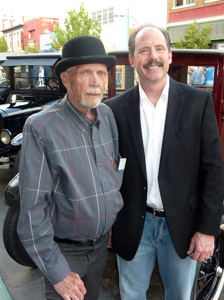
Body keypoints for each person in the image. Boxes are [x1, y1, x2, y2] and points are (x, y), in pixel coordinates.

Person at [104, 24, 224, 299]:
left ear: (170, 56)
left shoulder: (198, 102)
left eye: (159, 49)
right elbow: (108, 172)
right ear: (133, 60)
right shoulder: (114, 109)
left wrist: (207, 230)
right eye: (144, 50)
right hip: (135, 225)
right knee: (131, 294)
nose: (153, 56)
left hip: (181, 226)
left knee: (180, 295)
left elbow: (213, 171)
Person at [17, 35, 122, 300]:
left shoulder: (107, 115)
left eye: (101, 72)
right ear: (66, 79)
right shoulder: (41, 127)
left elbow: (114, 168)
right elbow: (32, 213)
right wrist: (58, 273)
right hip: (64, 254)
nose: (96, 82)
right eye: (86, 73)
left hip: (100, 249)